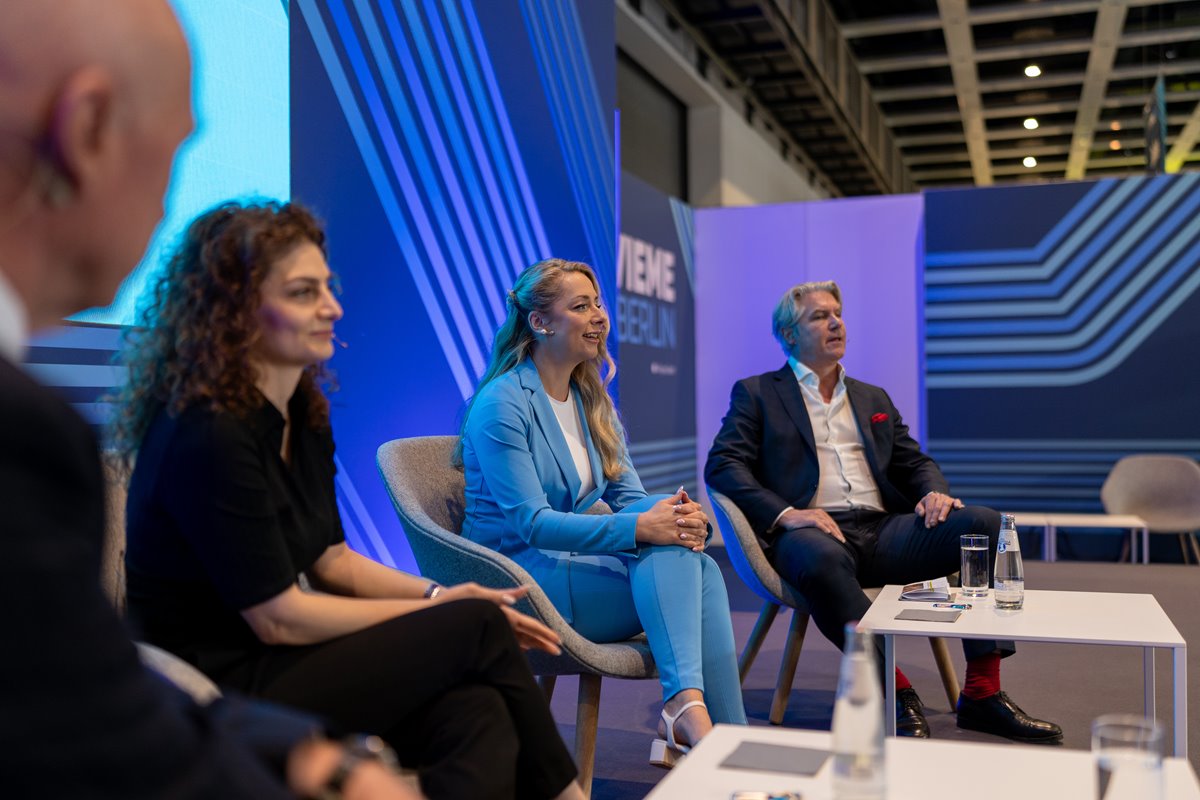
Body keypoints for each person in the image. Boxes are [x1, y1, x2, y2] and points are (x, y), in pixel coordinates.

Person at [0, 1, 417, 797]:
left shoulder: (300, 413)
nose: (165, 205)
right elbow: (86, 733)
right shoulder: (32, 435)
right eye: (174, 151)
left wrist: (305, 754)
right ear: (87, 129)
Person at [114, 201, 585, 800]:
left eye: (326, 288)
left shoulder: (301, 412)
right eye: (303, 293)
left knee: (475, 709)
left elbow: (332, 561)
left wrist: (437, 595)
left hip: (282, 652)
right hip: (214, 680)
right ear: (233, 311)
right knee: (478, 624)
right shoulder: (206, 432)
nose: (332, 308)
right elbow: (278, 617)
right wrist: (446, 612)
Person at [705, 281, 1062, 743]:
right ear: (789, 335)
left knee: (985, 525)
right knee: (820, 558)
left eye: (838, 313)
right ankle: (894, 689)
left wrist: (934, 493)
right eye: (820, 316)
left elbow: (914, 463)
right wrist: (788, 513)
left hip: (882, 529)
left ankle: (982, 694)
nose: (836, 322)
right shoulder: (757, 393)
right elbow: (723, 464)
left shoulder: (872, 397)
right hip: (812, 533)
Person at [457, 258, 747, 767]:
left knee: (691, 558)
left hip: (566, 562)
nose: (599, 316)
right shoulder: (502, 403)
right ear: (540, 322)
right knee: (687, 566)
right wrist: (644, 526)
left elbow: (631, 498)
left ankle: (704, 725)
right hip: (518, 576)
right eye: (581, 306)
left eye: (598, 303)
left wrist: (677, 517)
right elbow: (532, 524)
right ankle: (711, 731)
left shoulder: (590, 399)